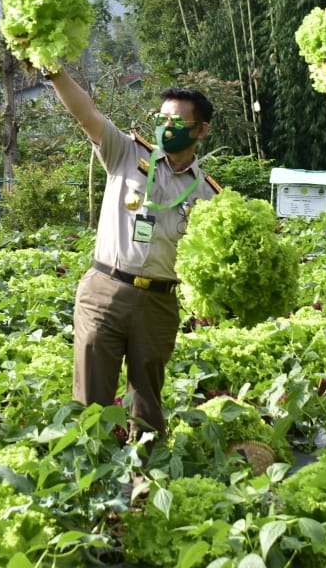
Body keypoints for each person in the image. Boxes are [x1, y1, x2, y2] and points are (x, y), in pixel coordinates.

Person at [45, 65, 219, 436]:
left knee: (147, 404)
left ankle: (145, 483)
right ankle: (90, 484)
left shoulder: (208, 193)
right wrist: (55, 73)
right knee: (91, 401)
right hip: (105, 291)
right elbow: (85, 112)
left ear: (201, 130)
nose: (167, 127)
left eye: (178, 122)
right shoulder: (125, 152)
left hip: (158, 303)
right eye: (162, 119)